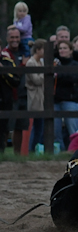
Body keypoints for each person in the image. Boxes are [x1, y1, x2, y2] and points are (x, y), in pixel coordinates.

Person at [3, 26, 29, 154]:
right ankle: (2, 152)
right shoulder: (5, 54)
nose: (15, 39)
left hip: (24, 94)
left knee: (21, 126)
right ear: (7, 38)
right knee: (7, 125)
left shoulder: (25, 52)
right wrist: (23, 65)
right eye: (12, 37)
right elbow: (10, 74)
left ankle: (17, 154)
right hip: (11, 94)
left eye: (17, 37)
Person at [54, 40, 78, 149]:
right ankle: (58, 153)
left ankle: (75, 151)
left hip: (70, 100)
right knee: (55, 131)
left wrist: (59, 75)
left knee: (73, 130)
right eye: (60, 48)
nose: (62, 50)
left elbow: (73, 78)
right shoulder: (54, 63)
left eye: (65, 48)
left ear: (70, 51)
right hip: (55, 100)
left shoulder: (75, 64)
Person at [0, 37, 20, 153]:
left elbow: (15, 81)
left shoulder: (7, 62)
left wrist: (3, 71)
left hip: (4, 100)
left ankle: (1, 153)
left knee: (3, 129)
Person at [26, 39, 46, 151]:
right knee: (37, 126)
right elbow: (36, 80)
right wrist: (46, 73)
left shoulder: (41, 62)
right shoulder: (31, 63)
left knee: (40, 126)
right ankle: (32, 149)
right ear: (38, 50)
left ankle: (36, 149)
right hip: (34, 97)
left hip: (41, 96)